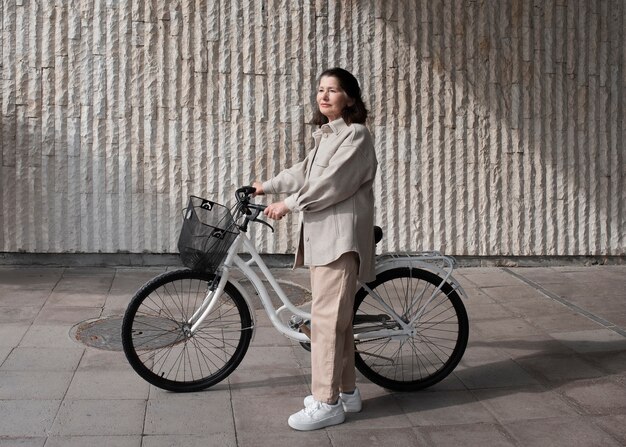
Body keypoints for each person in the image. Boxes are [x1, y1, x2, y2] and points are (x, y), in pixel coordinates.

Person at [252, 67, 378, 431]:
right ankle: (349, 393)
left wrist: (288, 205)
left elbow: (329, 184)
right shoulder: (327, 136)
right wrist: (267, 186)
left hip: (340, 242)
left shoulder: (356, 137)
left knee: (324, 324)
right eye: (320, 90)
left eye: (333, 90)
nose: (324, 96)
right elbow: (304, 171)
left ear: (350, 98)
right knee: (337, 323)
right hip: (324, 239)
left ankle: (326, 402)